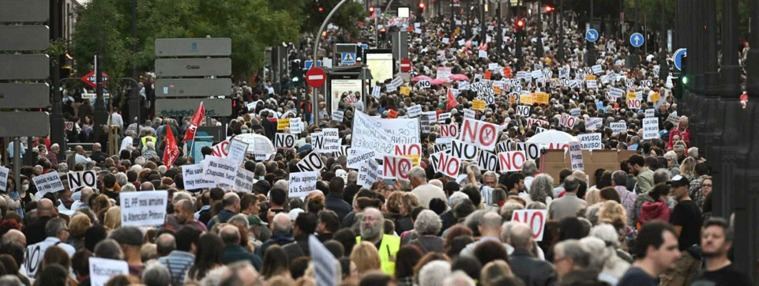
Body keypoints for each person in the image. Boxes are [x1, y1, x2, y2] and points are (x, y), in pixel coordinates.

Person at [691, 217, 753, 286]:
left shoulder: (738, 279)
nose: (709, 239)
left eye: (715, 236)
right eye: (705, 236)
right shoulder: (697, 279)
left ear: (727, 244)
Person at [618, 221, 681, 286]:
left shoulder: (641, 278)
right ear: (652, 250)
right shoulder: (639, 281)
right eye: (670, 248)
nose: (678, 254)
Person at [355, 207, 400, 276]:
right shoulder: (354, 243)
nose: (367, 222)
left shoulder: (397, 242)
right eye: (364, 219)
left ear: (381, 222)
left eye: (370, 219)